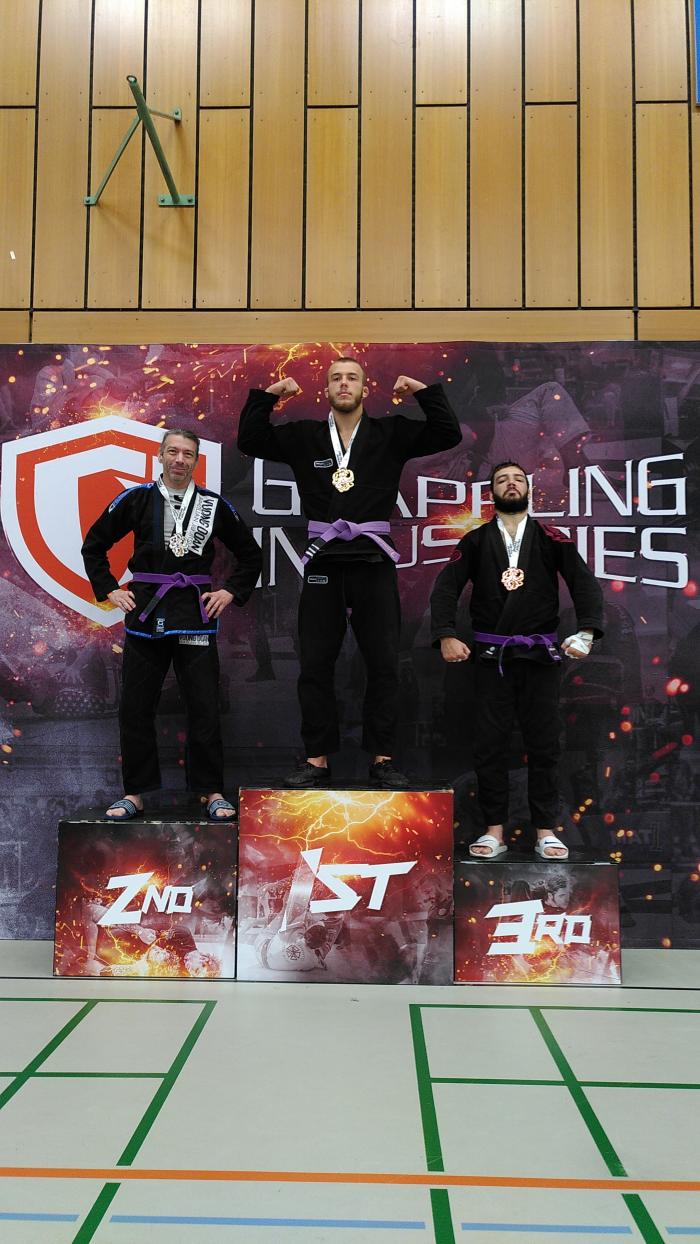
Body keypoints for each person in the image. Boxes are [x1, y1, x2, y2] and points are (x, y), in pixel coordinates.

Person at [237, 358, 461, 788]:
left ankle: (383, 758)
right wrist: (271, 395)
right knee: (314, 665)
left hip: (373, 561)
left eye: (352, 378)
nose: (344, 384)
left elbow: (447, 433)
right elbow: (250, 439)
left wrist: (420, 388)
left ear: (364, 388)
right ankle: (317, 759)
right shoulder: (304, 436)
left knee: (384, 664)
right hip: (324, 561)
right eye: (336, 378)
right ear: (326, 390)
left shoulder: (390, 433)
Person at [82, 428, 262, 820]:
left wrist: (230, 591)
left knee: (204, 706)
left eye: (188, 454)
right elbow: (94, 545)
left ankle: (210, 791)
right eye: (173, 452)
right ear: (160, 456)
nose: (179, 460)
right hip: (146, 613)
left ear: (196, 460)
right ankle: (135, 793)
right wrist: (110, 590)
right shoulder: (136, 498)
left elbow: (250, 554)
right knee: (135, 707)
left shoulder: (213, 505)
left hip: (194, 614)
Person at [430, 461, 604, 859]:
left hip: (540, 658)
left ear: (528, 489)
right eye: (502, 480)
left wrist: (587, 632)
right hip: (492, 658)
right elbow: (446, 588)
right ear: (492, 492)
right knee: (489, 744)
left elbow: (584, 584)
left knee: (545, 745)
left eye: (518, 479)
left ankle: (546, 831)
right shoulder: (476, 540)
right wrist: (445, 634)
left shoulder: (551, 538)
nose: (511, 484)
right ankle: (494, 830)